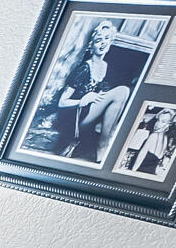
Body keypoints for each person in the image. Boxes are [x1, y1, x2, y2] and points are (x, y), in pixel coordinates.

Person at [30, 19, 147, 164]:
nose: (103, 43)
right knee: (122, 91)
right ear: (92, 44)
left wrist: (98, 97)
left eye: (106, 39)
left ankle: (105, 142)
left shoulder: (105, 66)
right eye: (99, 40)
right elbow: (62, 102)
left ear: (111, 42)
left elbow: (101, 93)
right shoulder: (85, 68)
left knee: (123, 92)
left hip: (90, 113)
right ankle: (103, 144)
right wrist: (83, 100)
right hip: (75, 117)